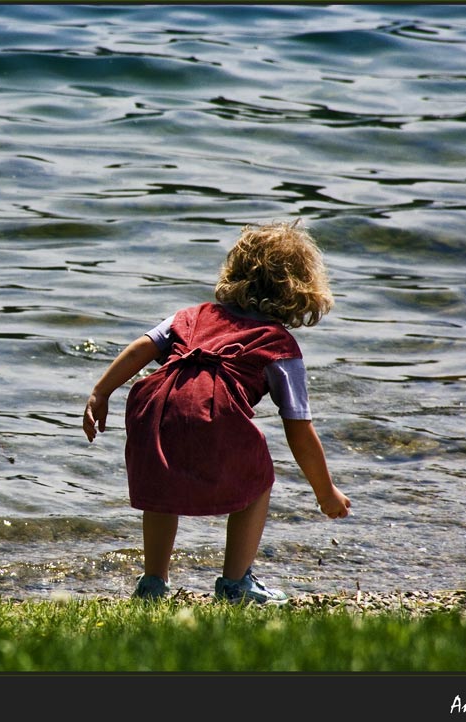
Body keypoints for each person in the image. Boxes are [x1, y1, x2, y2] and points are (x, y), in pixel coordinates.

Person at [82, 220, 351, 605]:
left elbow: (143, 347)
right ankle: (236, 582)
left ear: (234, 272)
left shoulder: (191, 315)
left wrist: (101, 392)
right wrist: (325, 492)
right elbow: (299, 429)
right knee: (258, 480)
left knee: (162, 489)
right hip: (214, 415)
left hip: (155, 408)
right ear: (301, 290)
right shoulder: (279, 346)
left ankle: (153, 583)